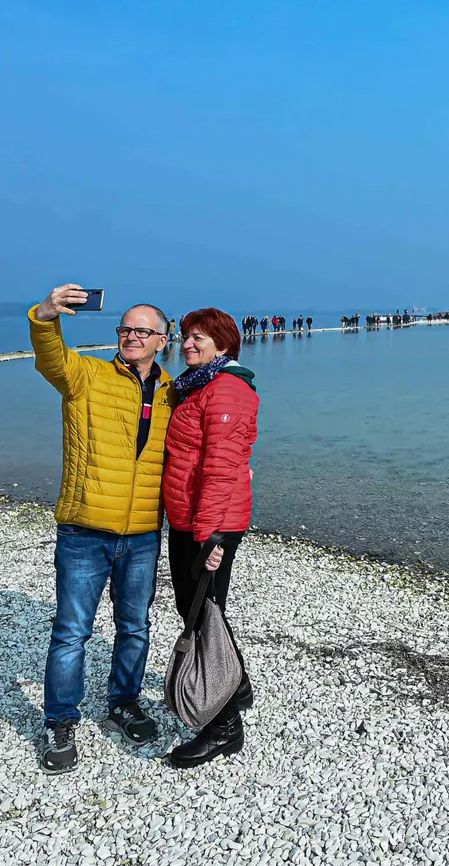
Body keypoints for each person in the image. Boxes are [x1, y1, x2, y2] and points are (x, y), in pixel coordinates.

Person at [30, 283, 173, 774]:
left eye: (142, 330)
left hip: (142, 534)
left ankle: (123, 703)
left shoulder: (176, 391)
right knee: (72, 632)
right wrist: (46, 315)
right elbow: (51, 359)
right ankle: (60, 722)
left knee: (135, 626)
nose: (131, 336)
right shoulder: (85, 375)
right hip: (85, 529)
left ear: (162, 338)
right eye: (125, 328)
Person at [160, 307, 260, 769]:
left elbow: (221, 468)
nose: (188, 344)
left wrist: (212, 537)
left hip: (208, 524)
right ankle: (236, 687)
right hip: (191, 517)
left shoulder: (226, 388)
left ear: (224, 344)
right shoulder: (200, 385)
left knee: (200, 613)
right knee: (204, 609)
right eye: (184, 336)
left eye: (198, 337)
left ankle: (222, 730)